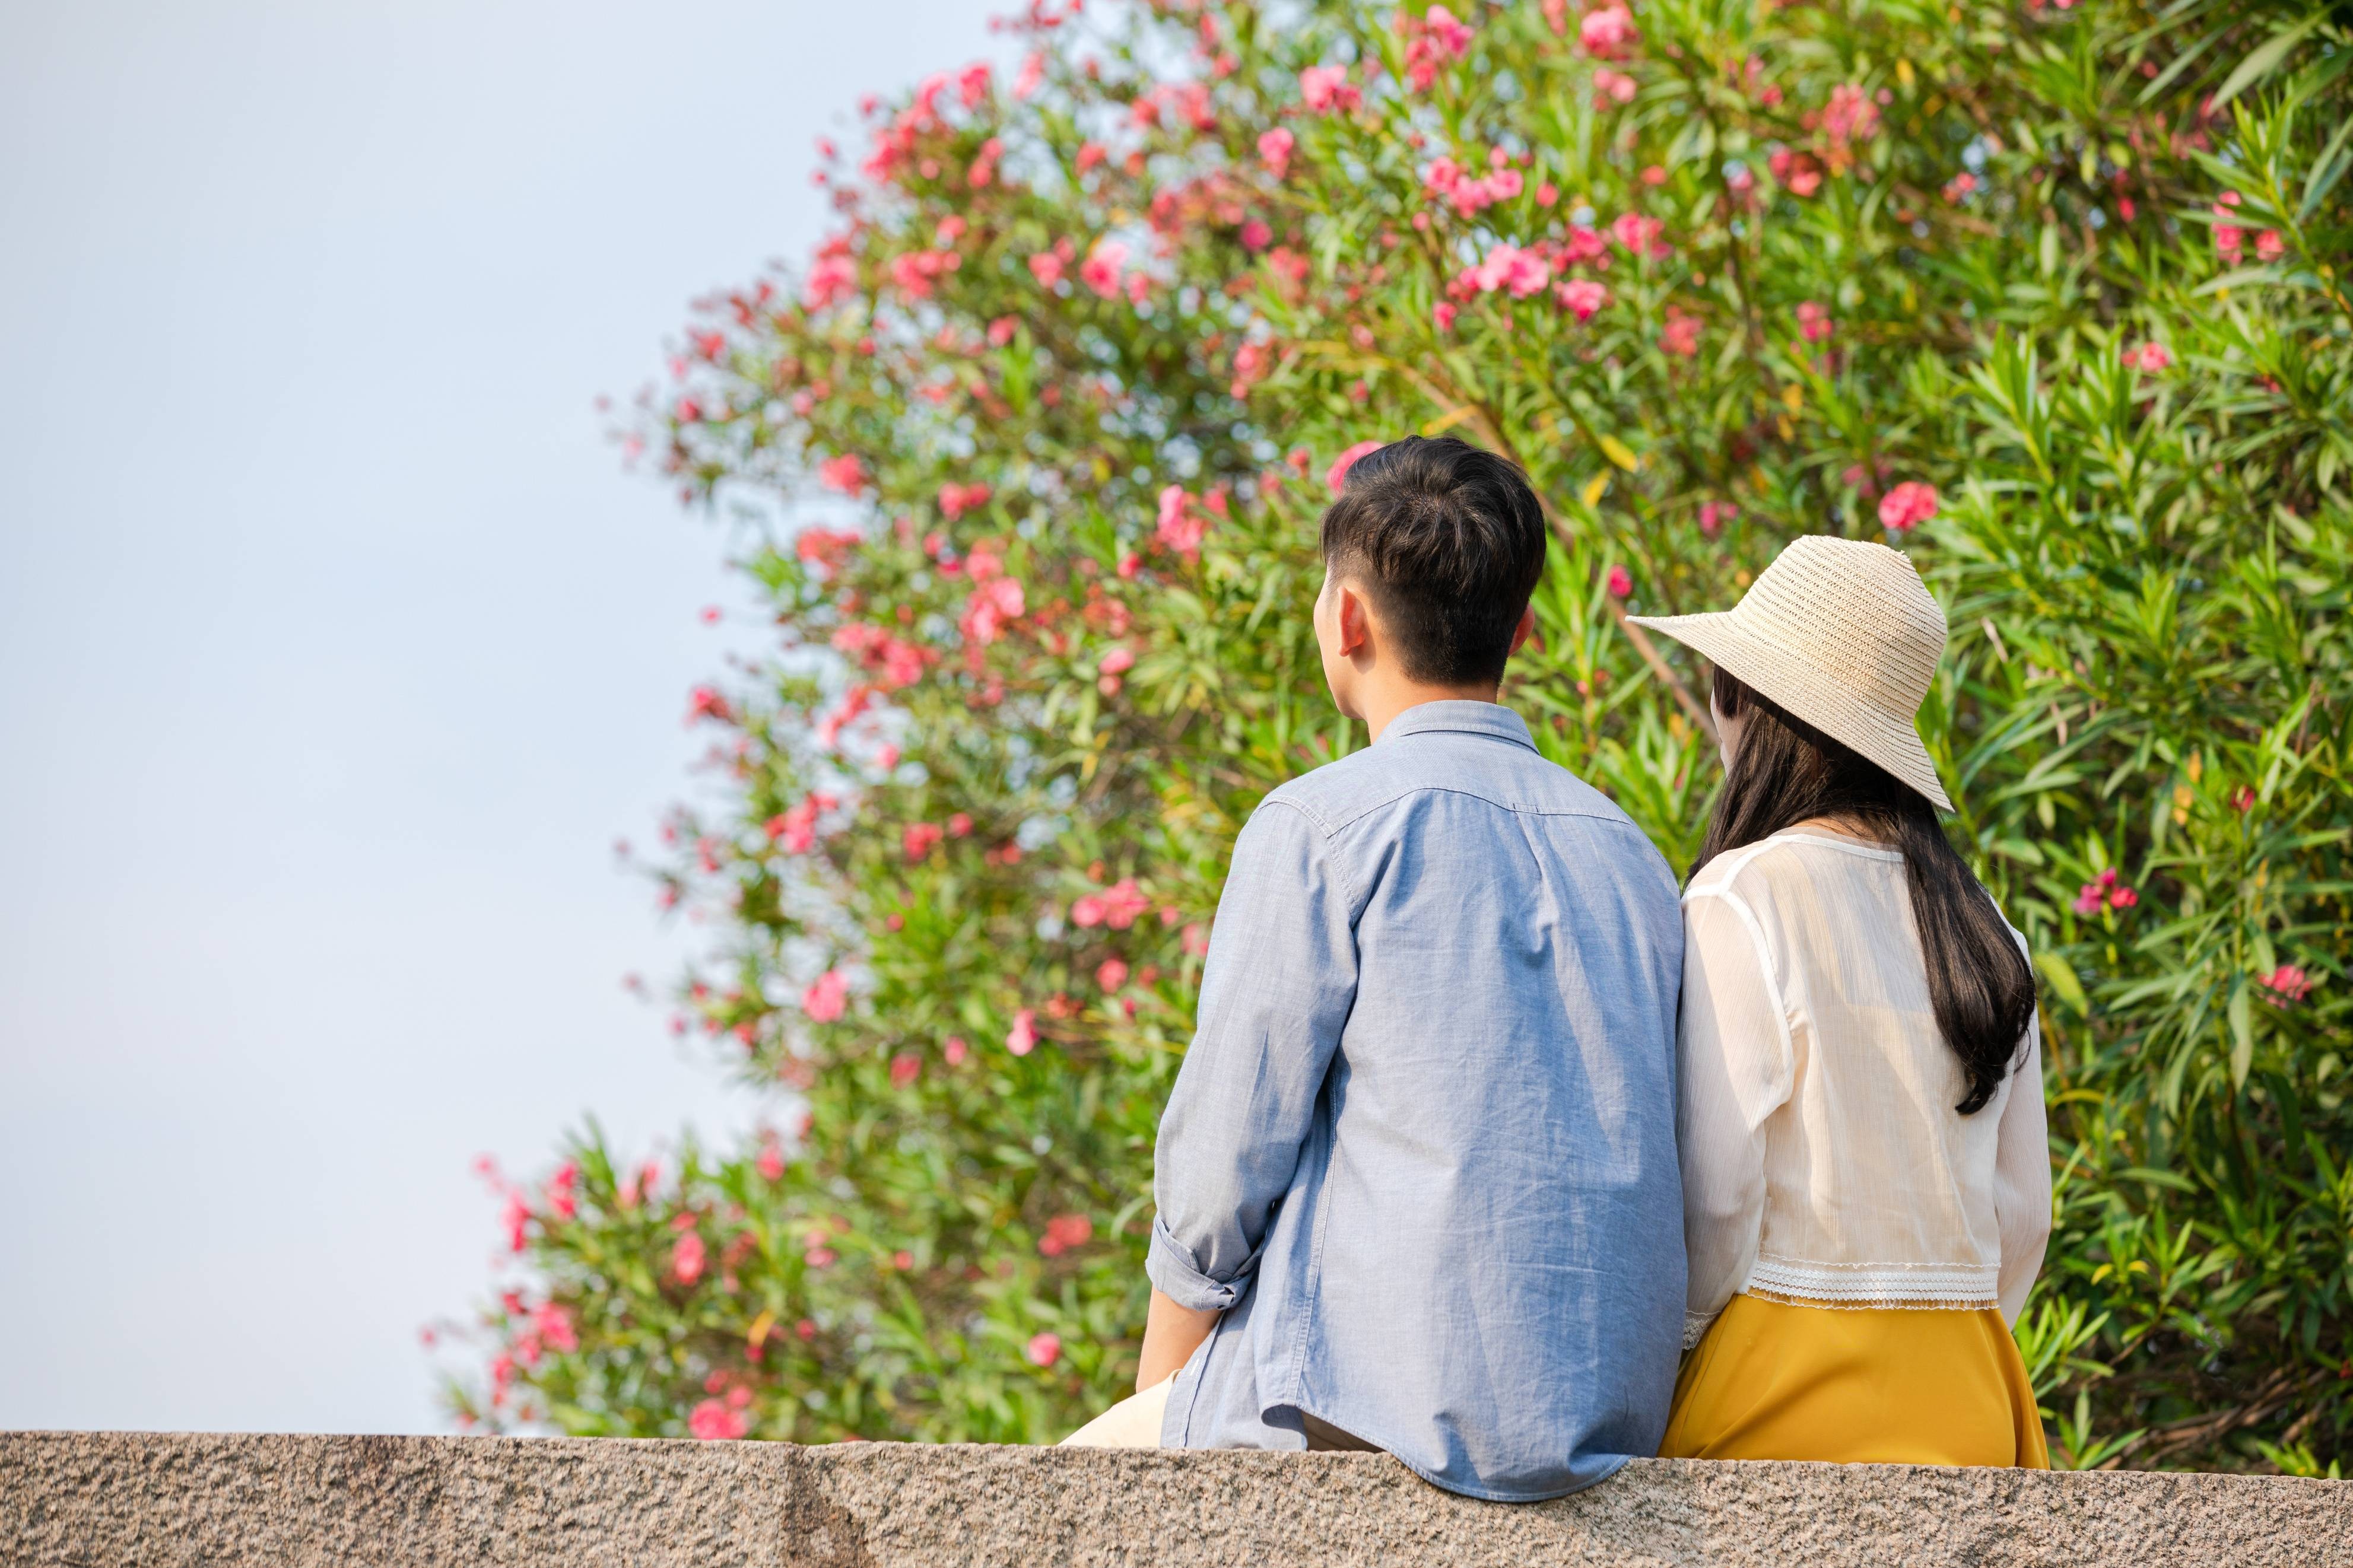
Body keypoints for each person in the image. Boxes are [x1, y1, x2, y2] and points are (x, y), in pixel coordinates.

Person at [1058, 435, 1687, 1502]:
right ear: (1523, 630)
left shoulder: (1321, 826)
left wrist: (1159, 1392)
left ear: (1345, 620)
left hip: (1360, 1406)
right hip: (1606, 1416)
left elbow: (1223, 1164)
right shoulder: (1632, 853)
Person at [1625, 535, 2052, 1467]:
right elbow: (2023, 1215)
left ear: (1739, 700)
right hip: (1972, 1389)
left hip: (1779, 1388)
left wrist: (1686, 1345)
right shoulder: (1984, 928)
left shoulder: (1741, 896)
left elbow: (1721, 1195)